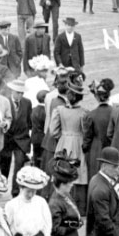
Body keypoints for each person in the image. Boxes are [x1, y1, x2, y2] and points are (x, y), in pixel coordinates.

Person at [51, 75, 89, 213]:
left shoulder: (59, 110)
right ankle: (79, 205)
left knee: (62, 168)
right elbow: (86, 131)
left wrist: (63, 136)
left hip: (64, 142)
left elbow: (53, 131)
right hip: (78, 142)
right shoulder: (84, 113)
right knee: (79, 170)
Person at [6, 166, 54, 236]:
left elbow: (47, 224)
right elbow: (7, 227)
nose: (31, 194)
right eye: (28, 191)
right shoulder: (12, 205)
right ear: (21, 188)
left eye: (34, 191)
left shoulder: (41, 202)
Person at [49, 155, 84, 236]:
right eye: (69, 183)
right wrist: (73, 225)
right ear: (62, 184)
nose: (72, 184)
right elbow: (56, 229)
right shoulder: (55, 203)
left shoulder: (66, 194)